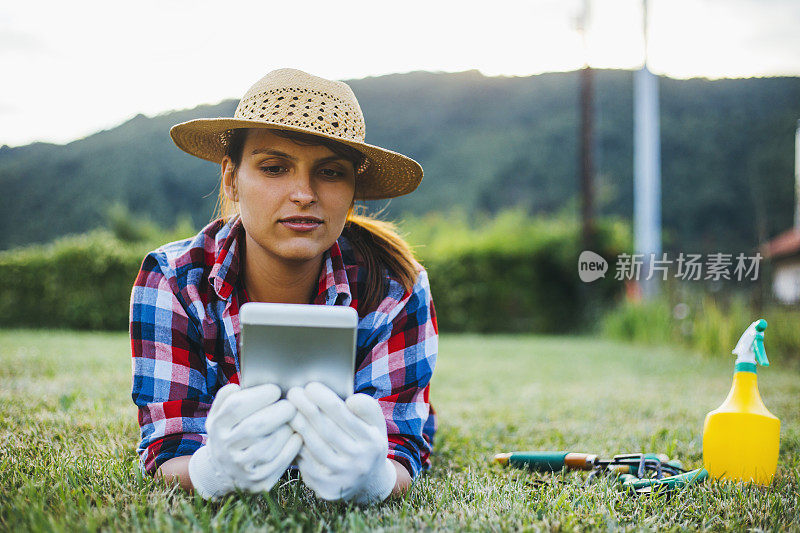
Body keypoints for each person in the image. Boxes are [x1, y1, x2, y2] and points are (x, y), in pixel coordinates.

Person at [130, 68, 438, 504]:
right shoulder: (172, 279)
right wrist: (210, 470)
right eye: (274, 168)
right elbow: (167, 449)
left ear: (353, 193)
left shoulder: (398, 285)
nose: (303, 193)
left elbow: (400, 450)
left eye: (330, 172)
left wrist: (374, 479)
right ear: (231, 179)